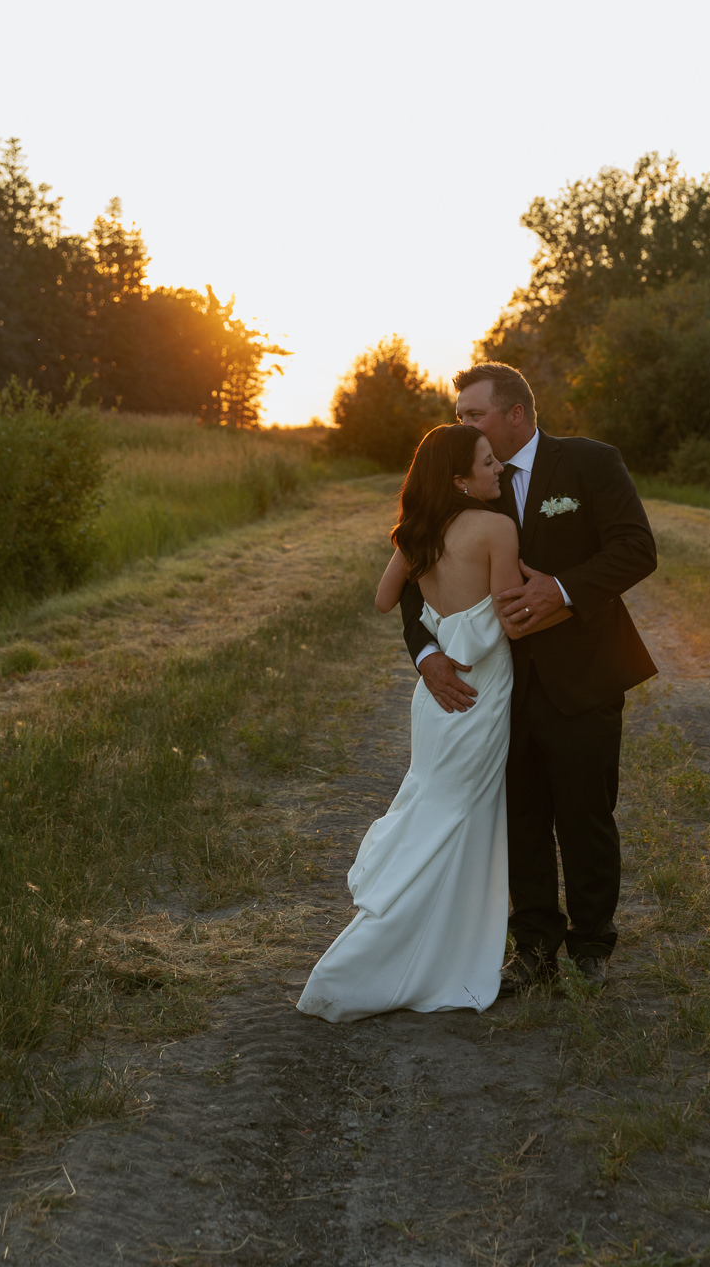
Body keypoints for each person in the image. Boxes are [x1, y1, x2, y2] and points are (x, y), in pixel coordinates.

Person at [401, 362, 657, 994]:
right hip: (496, 686)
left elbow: (635, 549)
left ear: (515, 414)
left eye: (473, 415)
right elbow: (413, 583)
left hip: (584, 673)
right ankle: (533, 950)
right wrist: (426, 655)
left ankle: (593, 944)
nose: (461, 425)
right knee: (517, 819)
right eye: (459, 415)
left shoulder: (590, 464)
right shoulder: (458, 485)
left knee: (586, 815)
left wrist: (565, 592)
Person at [297, 424, 563, 1023]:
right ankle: (416, 947)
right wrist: (552, 594)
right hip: (480, 696)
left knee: (437, 807)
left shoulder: (418, 533)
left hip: (435, 704)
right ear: (460, 479)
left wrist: (439, 619)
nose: (500, 471)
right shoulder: (497, 529)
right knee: (459, 819)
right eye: (489, 464)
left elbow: (385, 599)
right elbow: (512, 621)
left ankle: (421, 935)